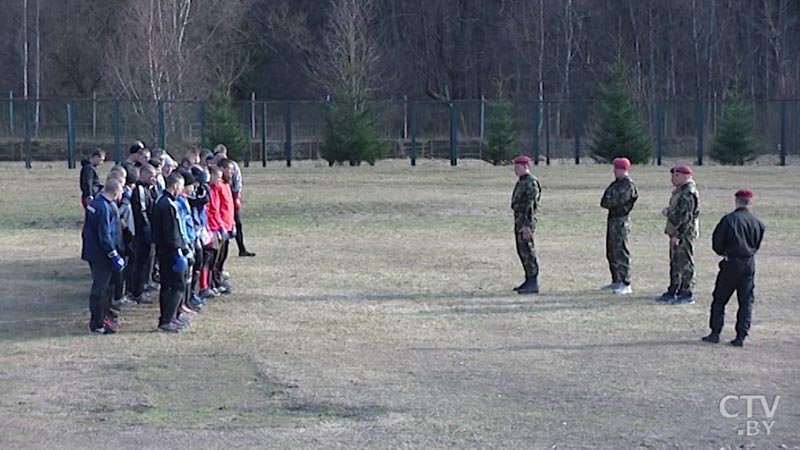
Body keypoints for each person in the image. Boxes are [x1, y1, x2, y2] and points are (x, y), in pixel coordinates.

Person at [702, 189, 765, 347]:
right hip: (749, 262)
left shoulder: (728, 220)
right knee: (745, 300)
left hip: (731, 262)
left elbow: (717, 243)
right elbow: (757, 244)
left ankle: (715, 332)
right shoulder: (757, 223)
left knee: (720, 298)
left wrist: (723, 252)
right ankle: (741, 335)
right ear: (750, 202)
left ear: (736, 200)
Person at [81, 178, 125, 334]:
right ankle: (97, 324)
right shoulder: (104, 207)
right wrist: (113, 254)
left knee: (105, 287)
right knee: (100, 288)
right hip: (101, 255)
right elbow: (105, 234)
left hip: (93, 252)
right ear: (115, 192)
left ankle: (103, 318)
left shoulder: (96, 203)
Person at [151, 172, 188, 333]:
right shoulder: (168, 205)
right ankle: (167, 319)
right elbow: (171, 232)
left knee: (167, 286)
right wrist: (178, 251)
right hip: (170, 252)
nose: (182, 190)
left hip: (163, 250)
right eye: (181, 186)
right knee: (177, 285)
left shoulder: (161, 201)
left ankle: (168, 318)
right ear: (175, 185)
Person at [658, 164, 700, 304]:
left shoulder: (688, 193)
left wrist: (678, 234)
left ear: (686, 176)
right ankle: (674, 289)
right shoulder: (679, 191)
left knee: (685, 263)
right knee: (675, 262)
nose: (673, 179)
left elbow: (685, 217)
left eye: (676, 175)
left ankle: (687, 293)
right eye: (673, 175)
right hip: (676, 232)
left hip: (684, 233)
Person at [600, 157, 638, 295]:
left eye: (617, 168)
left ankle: (625, 282)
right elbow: (604, 201)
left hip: (621, 220)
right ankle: (616, 279)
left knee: (620, 250)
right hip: (612, 220)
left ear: (624, 169)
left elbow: (615, 201)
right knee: (611, 251)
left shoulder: (627, 185)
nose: (615, 171)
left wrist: (610, 200)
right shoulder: (616, 184)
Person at [214, 145, 256, 257]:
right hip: (220, 199)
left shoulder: (232, 166)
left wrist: (236, 197)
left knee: (237, 223)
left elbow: (237, 182)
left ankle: (241, 248)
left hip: (230, 197)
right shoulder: (215, 168)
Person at [510, 155, 541, 294]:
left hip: (525, 222)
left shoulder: (530, 182)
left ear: (526, 167)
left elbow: (531, 205)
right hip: (519, 220)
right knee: (522, 251)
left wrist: (527, 225)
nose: (515, 170)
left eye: (518, 167)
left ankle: (533, 281)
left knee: (528, 251)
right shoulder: (522, 181)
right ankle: (528, 279)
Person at [129, 164, 157, 304]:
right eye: (151, 176)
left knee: (146, 262)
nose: (154, 179)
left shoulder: (149, 189)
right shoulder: (139, 190)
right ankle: (137, 291)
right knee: (140, 262)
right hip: (141, 234)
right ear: (143, 175)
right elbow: (141, 211)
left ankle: (143, 286)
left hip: (147, 231)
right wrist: (147, 230)